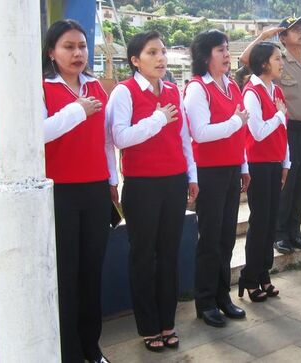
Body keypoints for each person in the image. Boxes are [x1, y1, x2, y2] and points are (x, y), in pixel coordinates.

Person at [106, 30, 198, 352]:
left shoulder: (174, 89)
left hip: (173, 181)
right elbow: (120, 137)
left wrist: (191, 174)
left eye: (162, 52)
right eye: (151, 53)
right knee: (143, 257)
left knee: (170, 255)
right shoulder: (124, 92)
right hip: (142, 185)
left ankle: (167, 322)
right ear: (135, 60)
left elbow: (184, 137)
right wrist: (157, 119)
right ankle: (148, 326)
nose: (160, 58)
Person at [40, 20, 117, 363]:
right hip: (60, 194)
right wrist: (76, 111)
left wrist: (112, 181)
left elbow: (105, 141)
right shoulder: (42, 88)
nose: (77, 54)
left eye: (82, 47)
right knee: (65, 275)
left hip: (95, 190)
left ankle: (91, 346)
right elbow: (36, 134)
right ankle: (68, 351)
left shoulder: (95, 88)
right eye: (68, 47)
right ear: (51, 52)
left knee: (91, 272)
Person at [183, 29, 249, 328]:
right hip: (209, 171)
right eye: (220, 50)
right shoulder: (198, 88)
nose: (226, 54)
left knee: (225, 237)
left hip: (232, 167)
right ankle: (206, 300)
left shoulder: (231, 85)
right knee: (209, 238)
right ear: (205, 55)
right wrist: (235, 121)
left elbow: (242, 132)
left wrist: (244, 165)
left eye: (226, 49)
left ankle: (223, 295)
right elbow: (202, 132)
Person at [238, 15, 301, 254]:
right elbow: (245, 59)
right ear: (282, 37)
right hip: (286, 129)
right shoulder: (276, 64)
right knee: (288, 184)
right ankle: (280, 234)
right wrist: (264, 36)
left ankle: (295, 231)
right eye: (295, 30)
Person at [239, 42, 290, 302]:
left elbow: (283, 131)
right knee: (259, 222)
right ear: (263, 63)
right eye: (277, 58)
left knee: (271, 222)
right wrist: (279, 116)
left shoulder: (276, 90)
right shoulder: (252, 92)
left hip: (274, 162)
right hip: (258, 164)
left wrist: (286, 163)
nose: (281, 62)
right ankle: (249, 278)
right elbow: (257, 132)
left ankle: (264, 273)